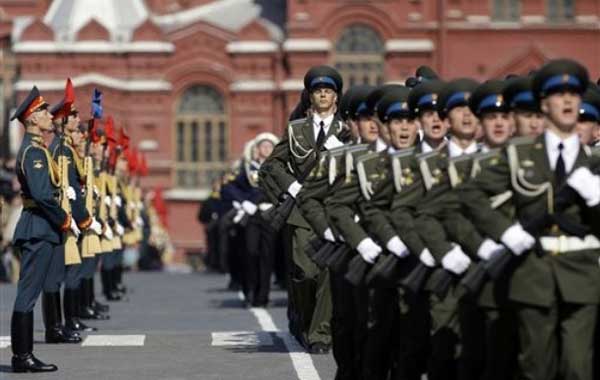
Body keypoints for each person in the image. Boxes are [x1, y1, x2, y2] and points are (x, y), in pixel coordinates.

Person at [462, 59, 600, 380]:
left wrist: (595, 198)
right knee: (536, 366)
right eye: (558, 94)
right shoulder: (519, 154)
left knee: (578, 367)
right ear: (543, 103)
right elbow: (472, 196)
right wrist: (506, 232)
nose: (567, 101)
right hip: (533, 272)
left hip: (582, 273)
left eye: (573, 94)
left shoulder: (593, 161)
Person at [260, 65, 347, 353]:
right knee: (305, 273)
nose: (323, 94)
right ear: (310, 97)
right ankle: (304, 319)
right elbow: (272, 164)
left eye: (328, 90)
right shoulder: (296, 130)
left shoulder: (347, 129)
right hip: (301, 212)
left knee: (327, 274)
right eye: (318, 91)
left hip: (333, 210)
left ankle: (320, 334)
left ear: (336, 97)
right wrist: (292, 186)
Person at [10, 86, 74, 372]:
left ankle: (23, 355)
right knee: (28, 293)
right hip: (38, 227)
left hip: (41, 227)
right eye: (44, 112)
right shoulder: (33, 153)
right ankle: (22, 357)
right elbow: (41, 194)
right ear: (32, 118)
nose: (50, 116)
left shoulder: (38, 149)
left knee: (32, 291)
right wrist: (63, 218)